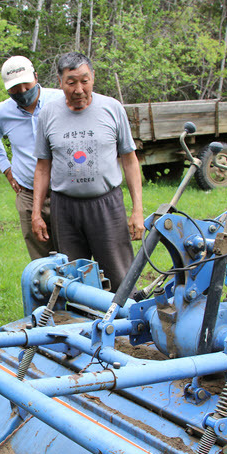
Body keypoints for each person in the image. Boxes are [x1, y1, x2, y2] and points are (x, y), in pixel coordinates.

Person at [31, 52, 144, 292]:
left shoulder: (112, 108)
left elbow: (130, 160)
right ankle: (80, 326)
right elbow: (42, 167)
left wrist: (137, 210)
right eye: (71, 82)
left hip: (107, 206)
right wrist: (36, 213)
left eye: (85, 80)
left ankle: (124, 324)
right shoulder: (48, 114)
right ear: (60, 83)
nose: (79, 89)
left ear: (93, 78)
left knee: (120, 275)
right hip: (65, 208)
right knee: (71, 277)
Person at [0, 56, 62, 260]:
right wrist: (7, 170)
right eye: (15, 89)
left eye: (26, 85)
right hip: (28, 193)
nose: (22, 92)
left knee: (72, 255)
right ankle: (48, 294)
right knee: (42, 262)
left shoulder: (61, 101)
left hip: (64, 193)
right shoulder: (1, 113)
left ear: (36, 77)